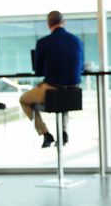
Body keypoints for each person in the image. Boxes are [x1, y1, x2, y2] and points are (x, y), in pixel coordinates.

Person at [20, 11, 83, 148]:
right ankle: (64, 133)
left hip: (51, 91)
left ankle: (45, 133)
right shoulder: (77, 41)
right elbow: (80, 67)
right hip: (74, 91)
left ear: (49, 24)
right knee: (63, 99)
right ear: (63, 22)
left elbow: (39, 72)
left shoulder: (43, 43)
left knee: (24, 100)